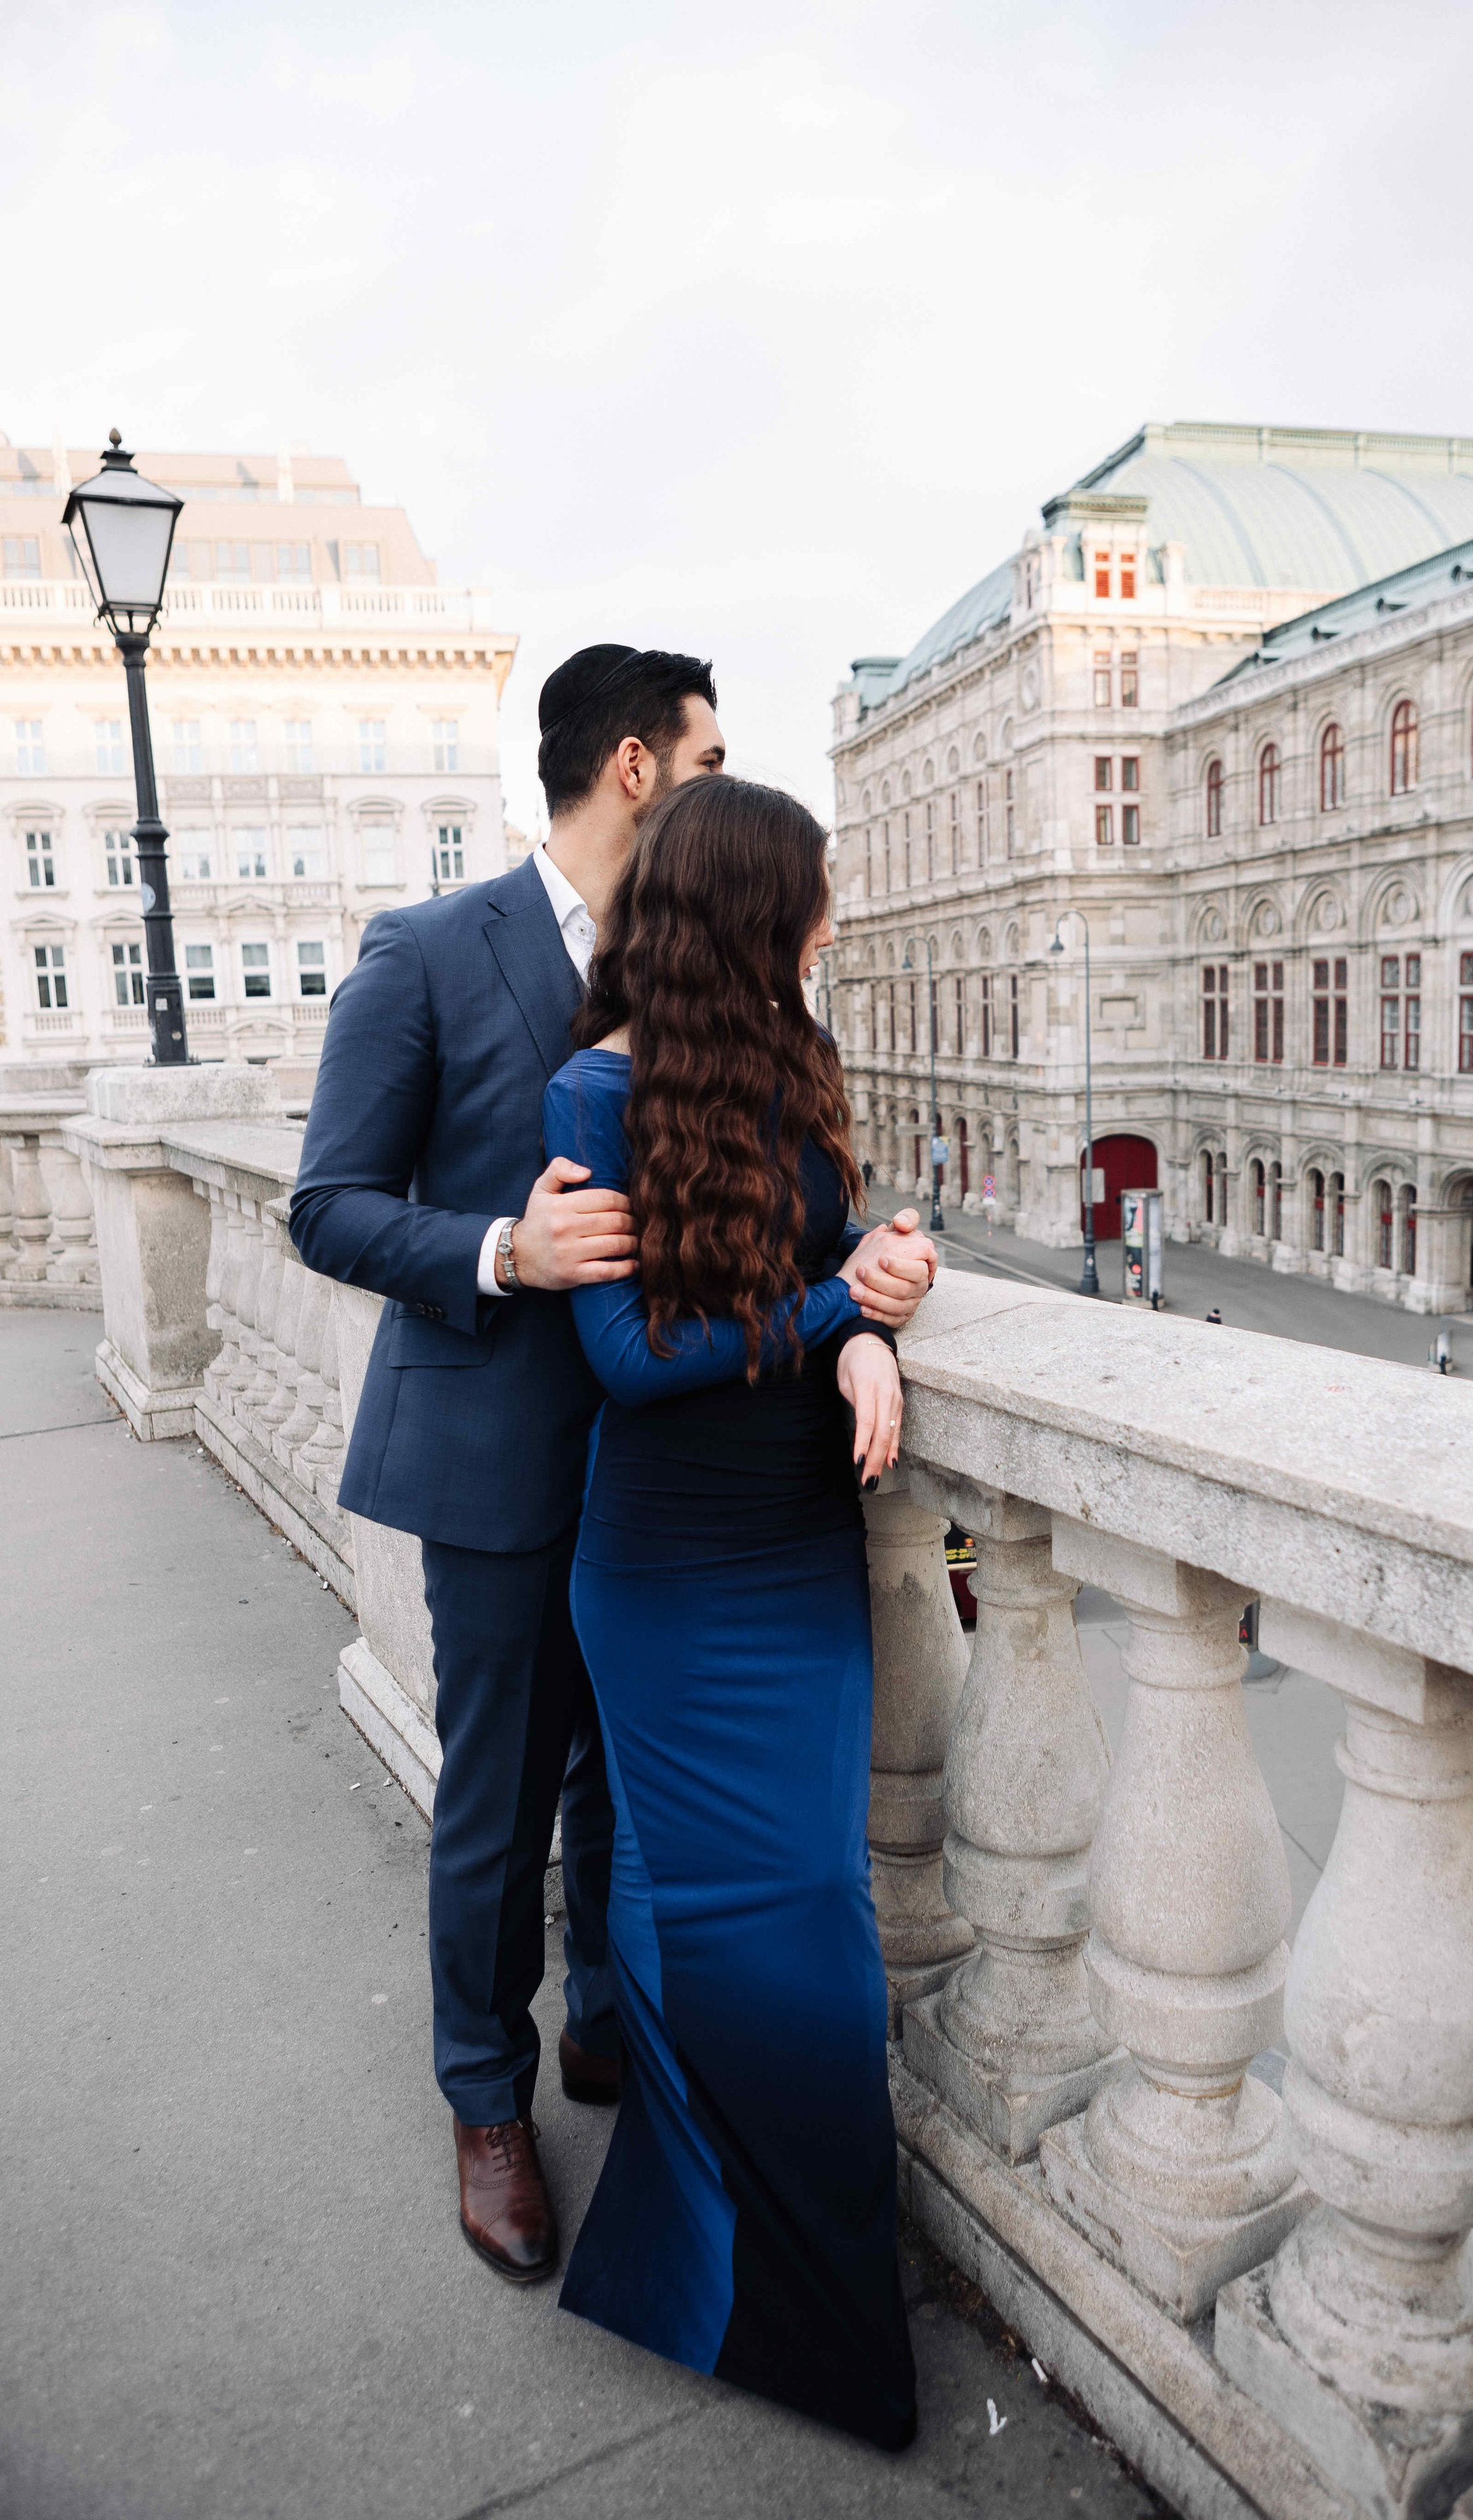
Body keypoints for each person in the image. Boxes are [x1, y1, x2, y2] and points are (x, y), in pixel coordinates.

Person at [288, 646, 935, 2287]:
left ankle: (600, 2028)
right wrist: (504, 1244)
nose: (730, 780)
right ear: (640, 769)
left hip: (683, 1480)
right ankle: (486, 2104)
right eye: (713, 756)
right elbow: (327, 1205)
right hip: (506, 1455)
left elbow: (762, 1188)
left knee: (616, 1792)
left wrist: (857, 1296)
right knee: (501, 1802)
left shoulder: (706, 973)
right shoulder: (431, 950)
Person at [542, 775, 920, 2450]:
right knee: (699, 1920)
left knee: (819, 1921)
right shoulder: (590, 1093)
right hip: (670, 1575)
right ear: (748, 914)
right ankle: (718, 2281)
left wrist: (864, 1325)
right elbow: (630, 1361)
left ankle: (753, 2284)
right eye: (813, 899)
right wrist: (835, 1301)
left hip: (796, 1552)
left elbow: (810, 1268)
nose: (830, 925)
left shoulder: (799, 1066)